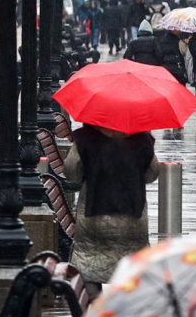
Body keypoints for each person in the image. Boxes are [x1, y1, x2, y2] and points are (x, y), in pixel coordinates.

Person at [63, 124, 160, 302]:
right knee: (131, 264)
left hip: (93, 215)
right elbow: (152, 174)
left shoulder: (86, 137)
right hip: (132, 217)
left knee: (89, 262)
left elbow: (72, 173)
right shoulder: (142, 138)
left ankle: (95, 304)